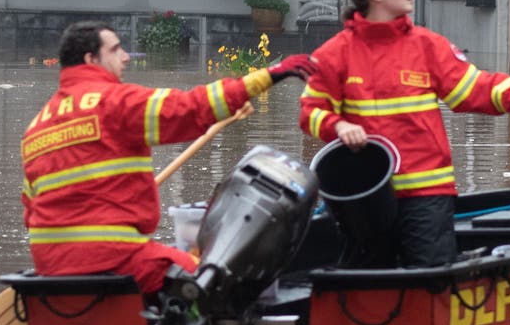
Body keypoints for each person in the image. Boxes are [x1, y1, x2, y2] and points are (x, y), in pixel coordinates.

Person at [22, 21, 312, 293]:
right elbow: (190, 108)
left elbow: (30, 207)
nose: (125, 58)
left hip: (50, 264)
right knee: (212, 282)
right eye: (115, 50)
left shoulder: (36, 125)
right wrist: (272, 74)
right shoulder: (115, 102)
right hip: (110, 256)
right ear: (90, 60)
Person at [299, 0, 510, 267]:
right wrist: (338, 127)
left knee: (432, 280)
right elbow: (310, 113)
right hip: (366, 198)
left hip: (427, 193)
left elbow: (469, 87)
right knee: (369, 282)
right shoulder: (335, 54)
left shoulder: (427, 46)